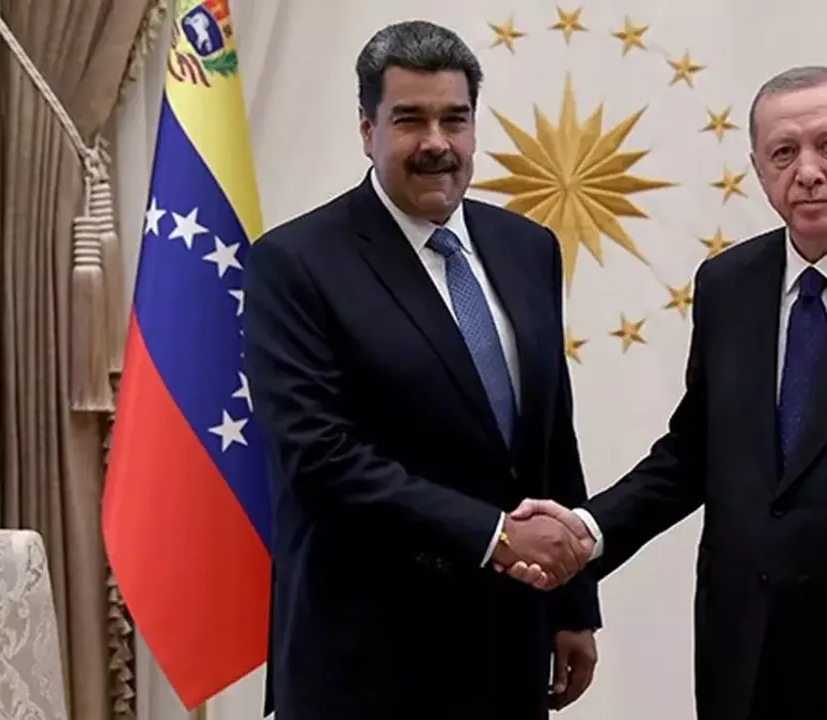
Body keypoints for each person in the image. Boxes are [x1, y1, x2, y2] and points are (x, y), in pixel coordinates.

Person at [509, 66, 827, 720]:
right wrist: (586, 530)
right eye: (783, 153)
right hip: (746, 657)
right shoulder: (728, 284)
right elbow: (691, 455)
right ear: (757, 169)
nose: (807, 171)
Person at [242, 20, 600, 719]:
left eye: (454, 119)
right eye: (410, 120)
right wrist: (496, 536)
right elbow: (318, 456)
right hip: (364, 657)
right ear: (368, 131)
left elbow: (549, 435)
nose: (437, 142)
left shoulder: (527, 247)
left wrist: (573, 603)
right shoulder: (295, 263)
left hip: (506, 645)